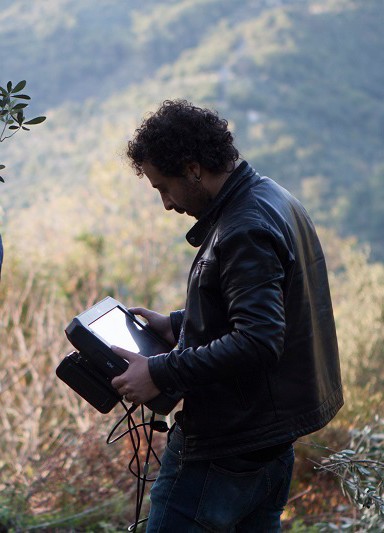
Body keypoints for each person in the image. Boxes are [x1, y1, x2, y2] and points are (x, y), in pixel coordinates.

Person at [110, 100, 343, 531]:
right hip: (270, 444)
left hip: (225, 447)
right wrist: (178, 324)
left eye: (164, 187)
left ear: (193, 168)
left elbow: (258, 340)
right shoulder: (272, 196)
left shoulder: (243, 228)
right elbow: (267, 307)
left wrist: (159, 373)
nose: (165, 203)